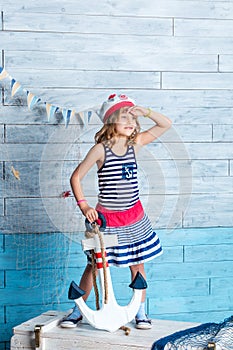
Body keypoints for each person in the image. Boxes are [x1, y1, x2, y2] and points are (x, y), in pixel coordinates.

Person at [60, 93, 172, 330]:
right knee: (95, 265)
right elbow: (76, 177)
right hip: (107, 220)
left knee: (138, 264)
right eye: (123, 117)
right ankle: (78, 311)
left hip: (134, 218)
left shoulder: (135, 144)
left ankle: (140, 312)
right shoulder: (101, 150)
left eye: (132, 117)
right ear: (110, 121)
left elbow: (166, 124)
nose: (130, 122)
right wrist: (85, 206)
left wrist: (146, 111)